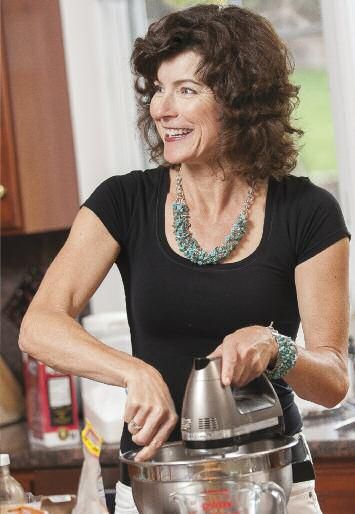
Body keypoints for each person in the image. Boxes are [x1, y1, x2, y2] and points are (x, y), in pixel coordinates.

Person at [19, 4, 350, 514]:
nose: (161, 108)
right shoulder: (123, 201)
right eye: (157, 87)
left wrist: (274, 346)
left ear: (240, 103)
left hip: (273, 488)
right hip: (154, 487)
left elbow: (331, 381)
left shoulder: (307, 211)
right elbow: (39, 326)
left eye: (186, 90)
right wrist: (134, 372)